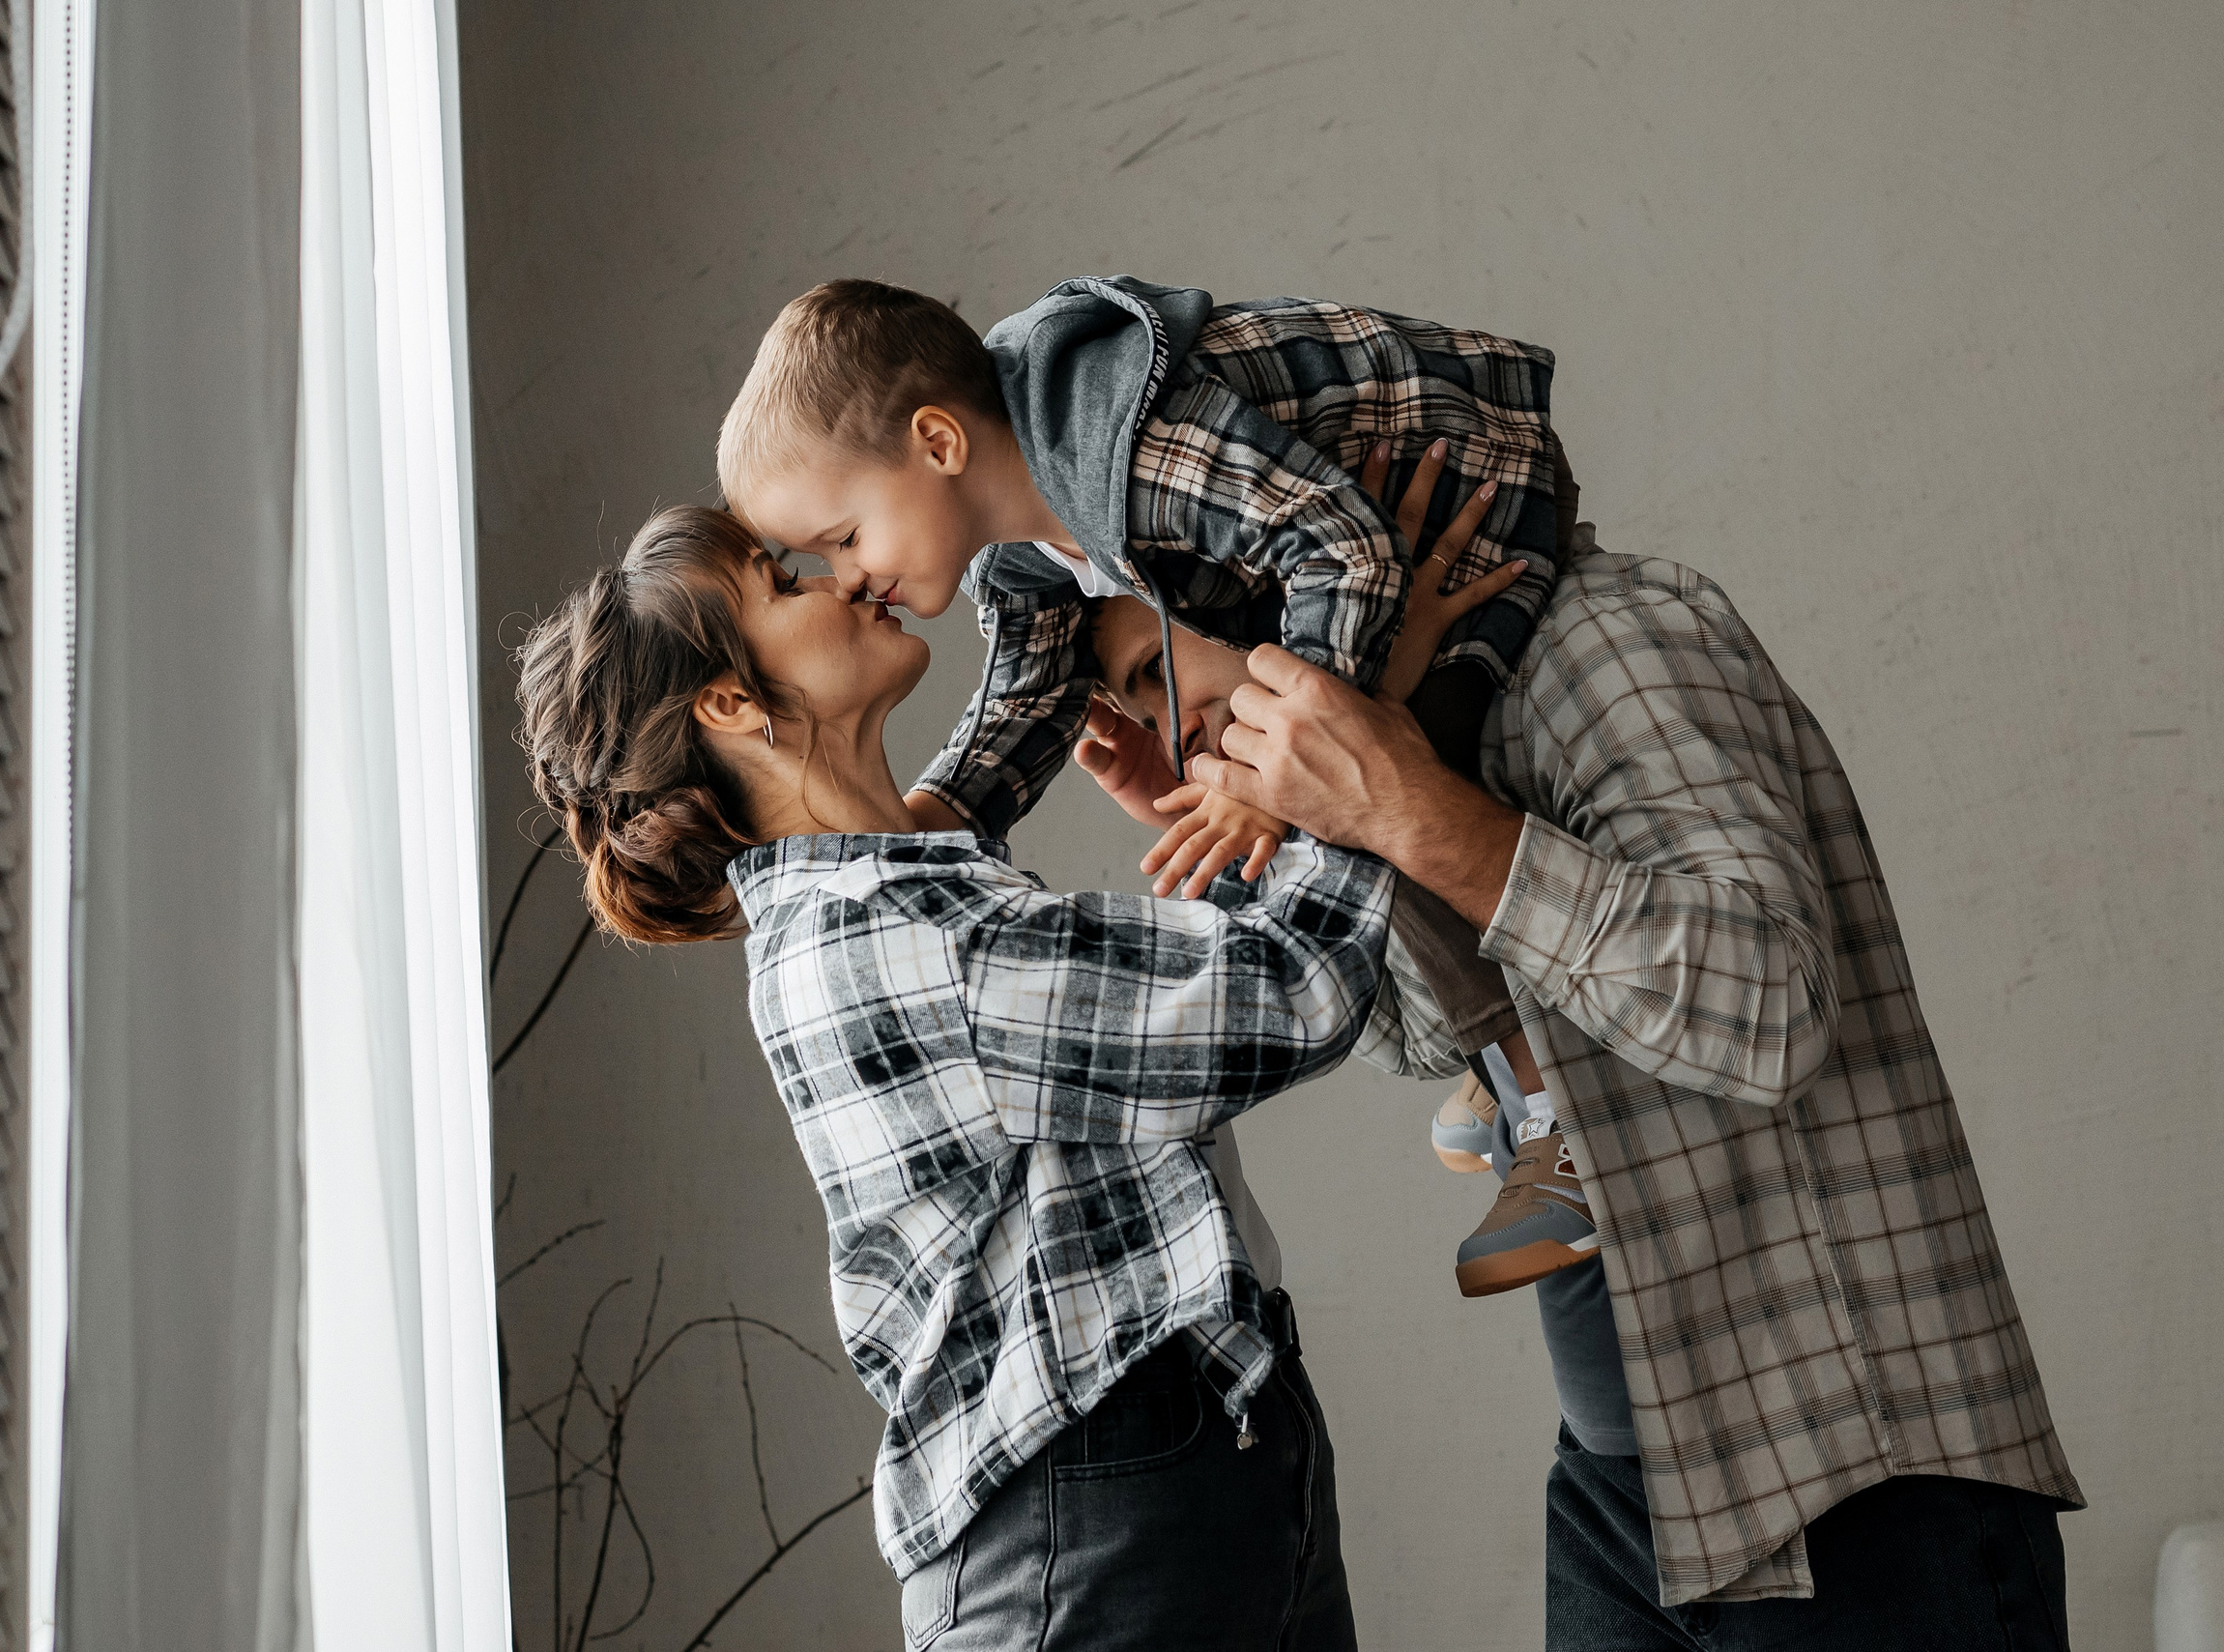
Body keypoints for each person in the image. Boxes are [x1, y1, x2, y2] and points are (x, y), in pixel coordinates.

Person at [1106, 530, 2089, 1645]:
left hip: (1849, 1481)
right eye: (1134, 706)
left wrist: (1403, 808)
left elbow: (1771, 1007)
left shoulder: (1605, 636)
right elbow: (1416, 1035)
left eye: (1153, 672)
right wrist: (1270, 836)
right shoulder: (1421, 737)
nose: (1166, 723)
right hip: (1625, 1483)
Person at [511, 504, 1399, 1651]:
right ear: (730, 705)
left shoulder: (897, 878)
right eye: (784, 583)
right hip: (1094, 1527)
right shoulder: (886, 935)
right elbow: (1294, 988)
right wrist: (1361, 706)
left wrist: (1005, 481)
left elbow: (1028, 671)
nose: (840, 576)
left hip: (1186, 1475)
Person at [717, 275, 1592, 1293]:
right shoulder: (1026, 546)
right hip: (1346, 552)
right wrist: (922, 829)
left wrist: (1273, 779)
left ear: (937, 443)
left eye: (842, 536)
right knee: (1329, 803)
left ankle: (1547, 1098)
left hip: (1458, 490)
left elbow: (1342, 546)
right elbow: (1027, 699)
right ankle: (1510, 1055)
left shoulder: (1112, 442)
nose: (845, 577)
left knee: (1357, 795)